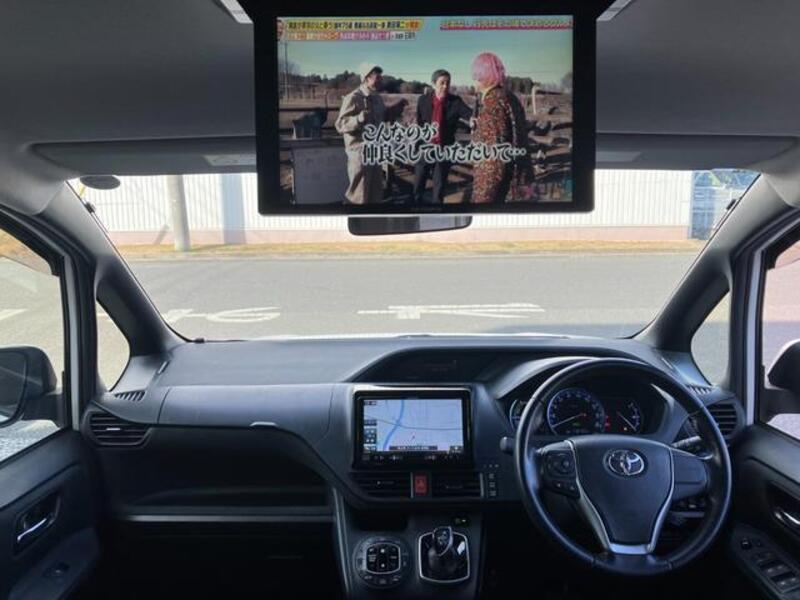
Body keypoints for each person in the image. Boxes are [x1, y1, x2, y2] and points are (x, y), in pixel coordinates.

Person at [334, 63, 407, 205]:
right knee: (359, 195)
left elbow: (384, 116)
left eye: (380, 77)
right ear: (366, 78)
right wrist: (358, 119)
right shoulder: (353, 98)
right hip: (360, 154)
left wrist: (397, 107)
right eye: (377, 78)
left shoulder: (377, 98)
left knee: (375, 194)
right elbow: (340, 124)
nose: (380, 80)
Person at [469, 52, 534, 204]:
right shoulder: (509, 97)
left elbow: (493, 160)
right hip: (518, 182)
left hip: (501, 191)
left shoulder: (493, 103)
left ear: (482, 76)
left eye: (475, 75)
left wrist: (482, 199)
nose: (473, 79)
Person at [412, 69, 473, 205]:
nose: (445, 86)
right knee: (419, 181)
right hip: (425, 148)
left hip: (444, 149)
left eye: (448, 83)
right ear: (433, 84)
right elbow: (420, 122)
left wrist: (473, 119)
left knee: (439, 185)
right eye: (442, 83)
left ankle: (437, 210)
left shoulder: (455, 101)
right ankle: (416, 207)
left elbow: (469, 114)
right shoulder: (423, 100)